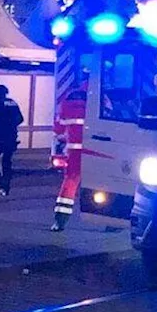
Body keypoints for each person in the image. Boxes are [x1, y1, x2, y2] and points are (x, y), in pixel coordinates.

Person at [51, 89, 86, 231]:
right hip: (97, 151)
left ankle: (60, 221)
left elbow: (58, 130)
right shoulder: (97, 103)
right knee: (102, 184)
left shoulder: (66, 106)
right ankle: (110, 221)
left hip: (73, 153)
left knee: (69, 185)